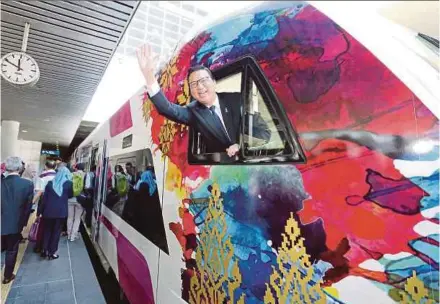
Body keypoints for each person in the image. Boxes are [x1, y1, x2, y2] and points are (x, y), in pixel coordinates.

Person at [136, 44, 271, 157]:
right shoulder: (193, 111)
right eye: (193, 84)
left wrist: (241, 144)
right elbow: (166, 108)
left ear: (213, 82)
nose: (199, 87)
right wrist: (149, 76)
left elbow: (265, 133)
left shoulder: (237, 99)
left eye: (203, 80)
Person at [1, 157, 33, 284]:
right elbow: (27, 208)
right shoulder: (27, 184)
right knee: (11, 250)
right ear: (20, 168)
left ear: (6, 167)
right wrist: (23, 224)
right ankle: (7, 276)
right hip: (15, 224)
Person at [38, 166, 73, 260]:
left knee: (47, 230)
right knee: (56, 232)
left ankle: (44, 250)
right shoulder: (69, 184)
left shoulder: (50, 183)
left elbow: (44, 200)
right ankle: (52, 252)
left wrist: (39, 212)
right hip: (61, 213)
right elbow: (70, 195)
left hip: (48, 212)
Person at [33, 160, 57, 253]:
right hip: (55, 204)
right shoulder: (58, 176)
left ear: (46, 166)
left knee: (42, 224)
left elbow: (39, 192)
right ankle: (49, 247)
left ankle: (39, 245)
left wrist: (32, 203)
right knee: (53, 227)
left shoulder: (42, 176)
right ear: (55, 167)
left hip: (44, 202)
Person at [67, 163, 85, 242]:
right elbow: (87, 187)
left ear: (76, 168)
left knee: (70, 217)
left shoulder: (70, 174)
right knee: (77, 218)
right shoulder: (85, 175)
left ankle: (69, 234)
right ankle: (73, 236)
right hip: (80, 200)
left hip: (70, 199)